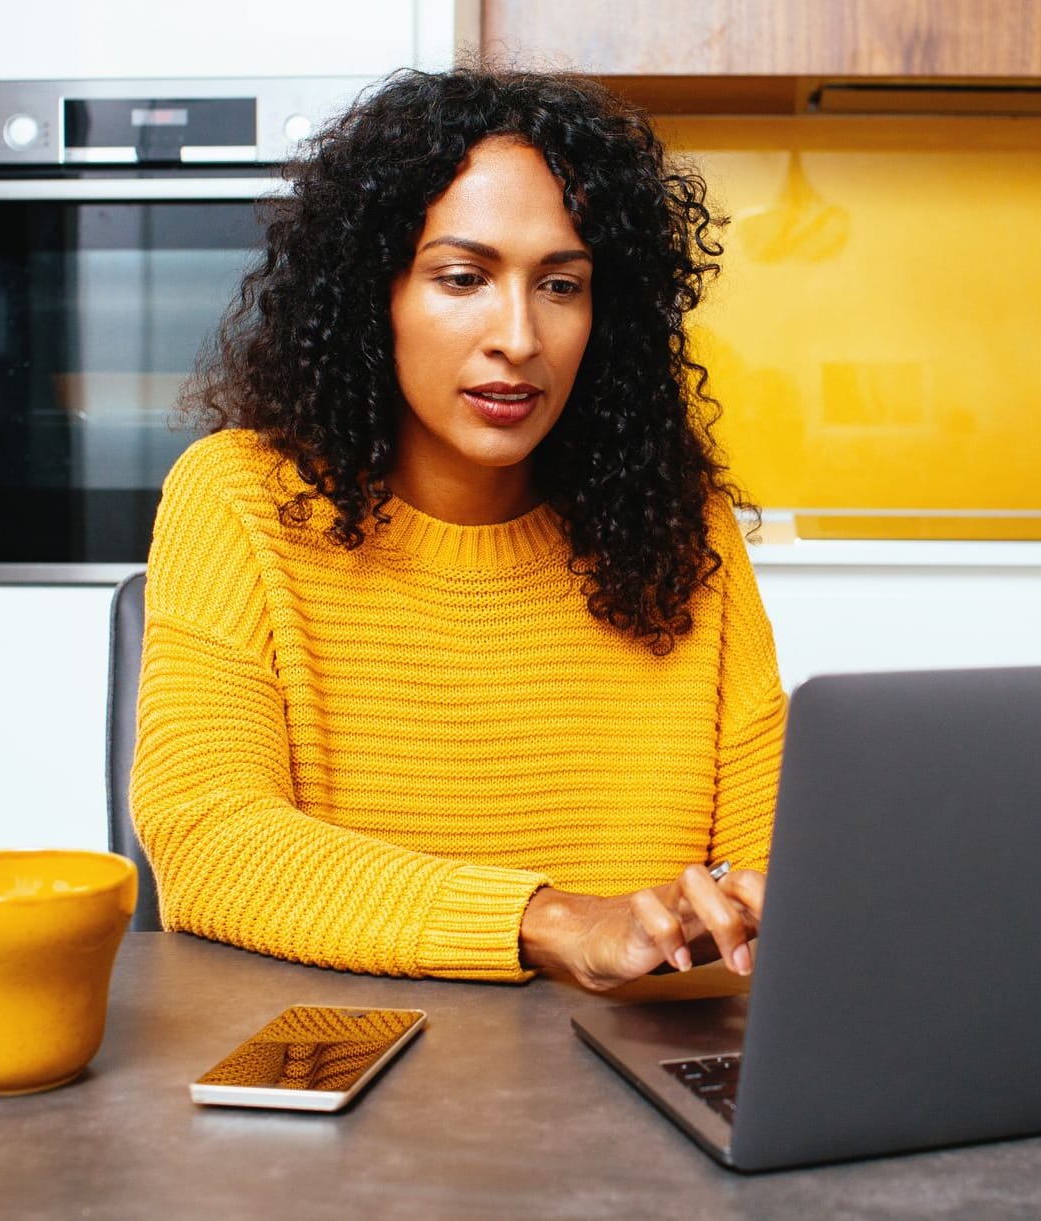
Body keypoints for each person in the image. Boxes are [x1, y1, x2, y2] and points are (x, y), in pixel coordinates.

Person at [129, 67, 784, 990]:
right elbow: (207, 841)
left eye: (561, 284)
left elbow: (773, 867)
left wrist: (738, 911)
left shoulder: (683, 528)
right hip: (345, 1067)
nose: (518, 334)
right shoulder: (241, 499)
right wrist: (552, 920)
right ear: (375, 294)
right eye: (464, 276)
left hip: (639, 1070)